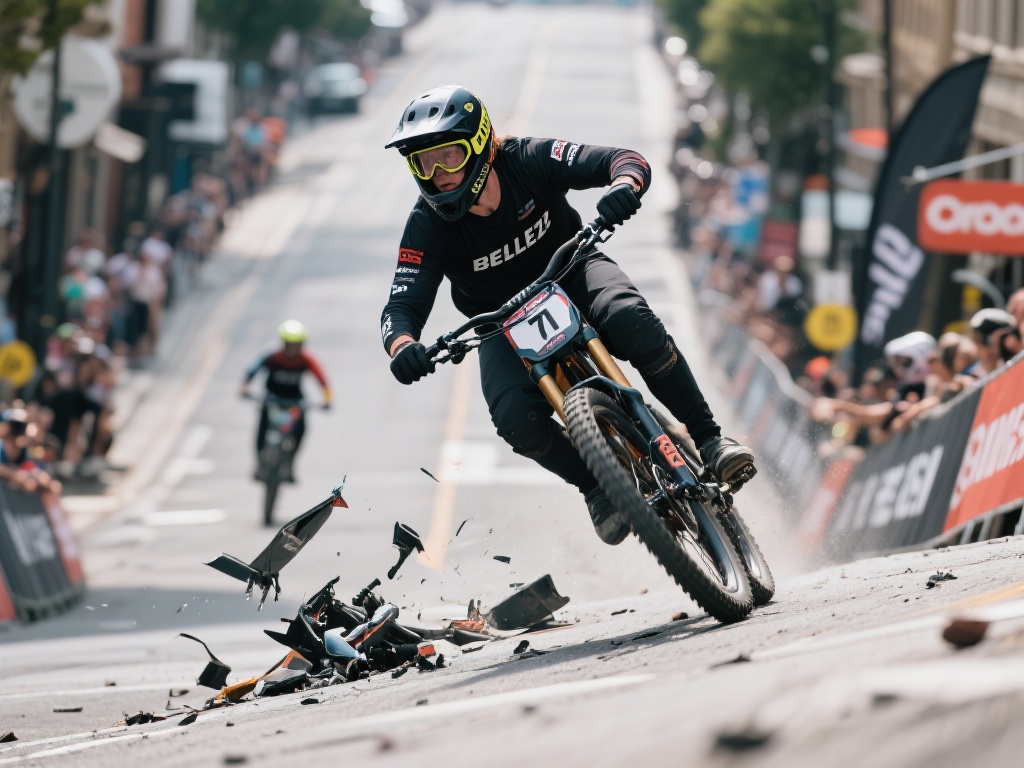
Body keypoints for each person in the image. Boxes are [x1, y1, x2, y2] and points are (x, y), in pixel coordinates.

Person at [379, 85, 755, 546]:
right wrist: (404, 347)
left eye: (449, 157)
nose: (438, 175)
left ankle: (710, 438)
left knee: (633, 321)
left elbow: (624, 160)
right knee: (514, 417)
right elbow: (401, 307)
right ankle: (596, 487)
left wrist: (624, 187)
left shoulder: (527, 158)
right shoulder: (426, 225)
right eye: (424, 163)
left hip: (573, 272)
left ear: (480, 144)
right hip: (500, 321)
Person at [240, 320, 332, 481]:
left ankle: (290, 464)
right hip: (271, 397)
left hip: (294, 399)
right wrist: (245, 387)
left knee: (301, 428)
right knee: (262, 427)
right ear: (283, 343)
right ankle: (259, 462)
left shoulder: (306, 359)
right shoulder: (272, 356)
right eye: (290, 344)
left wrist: (327, 399)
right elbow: (251, 371)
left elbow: (322, 380)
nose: (294, 349)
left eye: (297, 345)